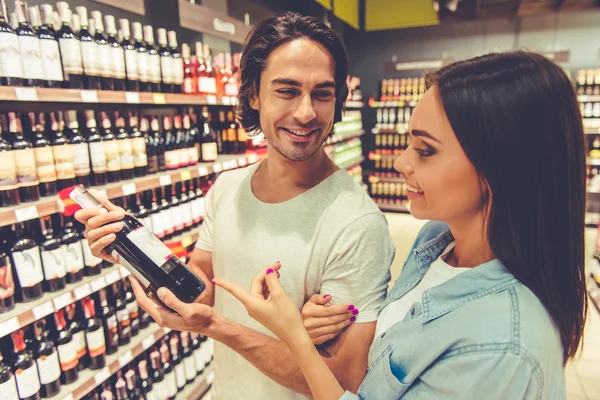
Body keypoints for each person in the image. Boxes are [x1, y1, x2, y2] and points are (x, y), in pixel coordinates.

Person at [213, 51, 588, 399]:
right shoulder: (438, 242)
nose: (401, 163)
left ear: (500, 168)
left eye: (425, 151)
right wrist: (318, 329)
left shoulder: (501, 346)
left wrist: (291, 334)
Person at [75, 12, 395, 400]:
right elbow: (200, 290)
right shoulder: (226, 189)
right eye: (287, 90)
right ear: (254, 95)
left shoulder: (357, 223)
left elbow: (344, 381)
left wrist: (218, 327)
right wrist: (132, 248)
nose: (307, 112)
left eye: (322, 93)